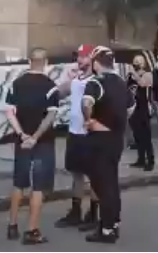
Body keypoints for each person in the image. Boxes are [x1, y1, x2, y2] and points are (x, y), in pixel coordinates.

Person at [3, 48, 61, 245]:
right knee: (37, 186)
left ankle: (12, 226)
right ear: (45, 62)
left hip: (22, 141)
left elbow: (9, 112)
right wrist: (35, 137)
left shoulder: (17, 84)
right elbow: (51, 116)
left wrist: (22, 134)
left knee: (19, 183)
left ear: (29, 61)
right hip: (42, 142)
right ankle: (32, 230)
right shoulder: (51, 86)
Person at [81, 46, 135, 244]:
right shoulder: (122, 83)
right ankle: (113, 223)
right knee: (111, 181)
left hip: (99, 140)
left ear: (95, 63)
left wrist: (90, 121)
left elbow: (86, 103)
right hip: (116, 139)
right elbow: (131, 107)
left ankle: (106, 230)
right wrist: (116, 123)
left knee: (103, 185)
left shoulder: (95, 82)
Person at [54, 44, 99, 230]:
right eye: (78, 56)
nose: (80, 60)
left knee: (94, 176)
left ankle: (94, 214)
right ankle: (75, 211)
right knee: (76, 174)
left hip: (90, 134)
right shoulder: (77, 78)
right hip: (73, 132)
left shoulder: (97, 80)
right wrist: (68, 79)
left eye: (84, 56)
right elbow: (59, 93)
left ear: (93, 59)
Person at [127, 54, 155, 170]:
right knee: (137, 136)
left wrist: (134, 73)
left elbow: (143, 84)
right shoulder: (131, 76)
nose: (136, 64)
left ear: (143, 63)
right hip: (134, 109)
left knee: (146, 136)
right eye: (134, 61)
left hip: (144, 107)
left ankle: (150, 160)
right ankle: (141, 159)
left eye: (138, 61)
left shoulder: (147, 74)